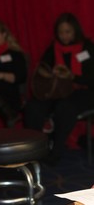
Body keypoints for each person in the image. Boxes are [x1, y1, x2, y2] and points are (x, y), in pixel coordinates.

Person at [24, 13, 94, 165]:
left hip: (81, 91)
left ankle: (56, 150)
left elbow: (91, 78)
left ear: (75, 31)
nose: (64, 36)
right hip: (56, 91)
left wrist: (71, 76)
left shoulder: (87, 48)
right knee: (33, 107)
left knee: (65, 108)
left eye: (67, 31)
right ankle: (37, 149)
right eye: (61, 32)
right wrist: (53, 72)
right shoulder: (54, 48)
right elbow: (43, 68)